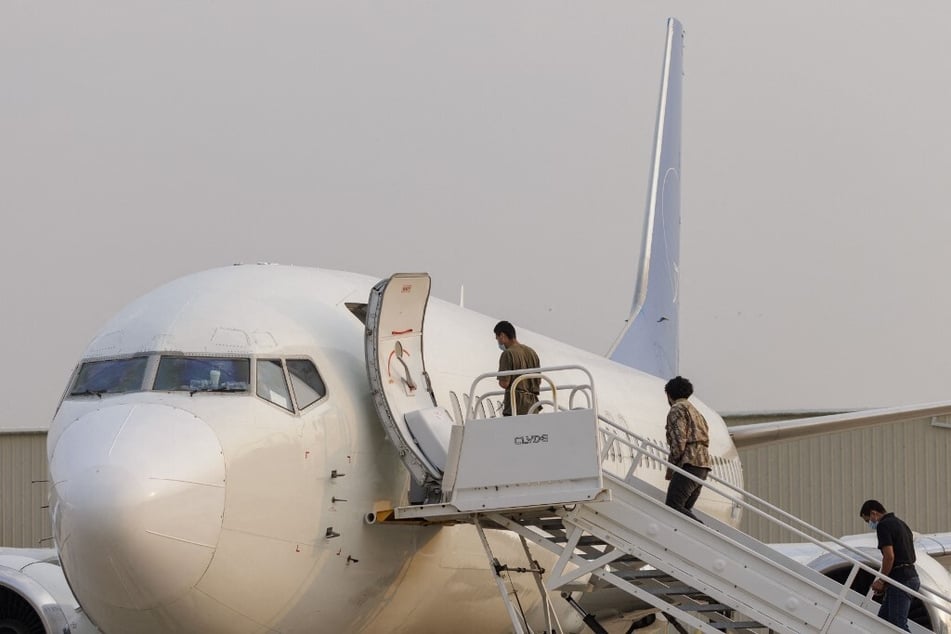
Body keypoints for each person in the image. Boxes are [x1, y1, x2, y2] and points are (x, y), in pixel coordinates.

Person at [859, 499, 920, 631]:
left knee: (897, 624)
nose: (870, 524)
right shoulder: (901, 524)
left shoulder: (883, 525)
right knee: (883, 622)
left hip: (901, 579)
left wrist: (881, 580)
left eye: (867, 520)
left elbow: (889, 556)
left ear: (874, 513)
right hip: (911, 576)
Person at [663, 376, 711, 522]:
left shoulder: (677, 409)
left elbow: (679, 442)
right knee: (684, 512)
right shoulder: (696, 412)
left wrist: (671, 467)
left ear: (669, 395)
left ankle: (705, 532)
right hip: (703, 464)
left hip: (689, 463)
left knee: (673, 505)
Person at [493, 320, 540, 416]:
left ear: (502, 336)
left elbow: (504, 383)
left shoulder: (508, 353)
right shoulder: (532, 352)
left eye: (497, 338)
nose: (498, 342)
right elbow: (538, 381)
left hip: (516, 405)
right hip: (533, 405)